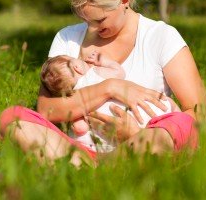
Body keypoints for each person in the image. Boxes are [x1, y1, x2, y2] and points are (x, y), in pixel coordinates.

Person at [0, 0, 206, 165]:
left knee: (181, 124)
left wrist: (135, 134)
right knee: (12, 117)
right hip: (77, 149)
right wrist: (110, 87)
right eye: (86, 20)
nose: (92, 28)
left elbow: (202, 117)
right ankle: (95, 168)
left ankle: (95, 170)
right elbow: (47, 109)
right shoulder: (67, 38)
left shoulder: (161, 37)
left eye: (100, 20)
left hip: (140, 144)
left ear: (124, 1)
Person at [40, 53, 180, 153]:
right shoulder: (95, 73)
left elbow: (80, 128)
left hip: (110, 141)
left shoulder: (73, 98)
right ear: (77, 67)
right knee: (168, 107)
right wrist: (103, 61)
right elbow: (119, 72)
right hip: (146, 116)